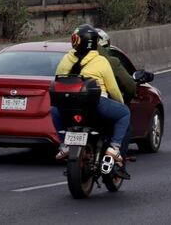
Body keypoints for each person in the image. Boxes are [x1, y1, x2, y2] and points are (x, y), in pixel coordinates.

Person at [50, 24, 132, 179]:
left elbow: (58, 79)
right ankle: (114, 148)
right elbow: (113, 88)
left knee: (53, 110)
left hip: (68, 108)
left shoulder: (66, 59)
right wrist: (120, 103)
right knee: (124, 114)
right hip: (95, 106)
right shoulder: (101, 61)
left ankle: (64, 145)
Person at [96, 28, 137, 159]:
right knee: (124, 115)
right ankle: (118, 158)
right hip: (99, 103)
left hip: (72, 105)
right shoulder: (108, 62)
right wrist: (121, 100)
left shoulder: (71, 59)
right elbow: (127, 86)